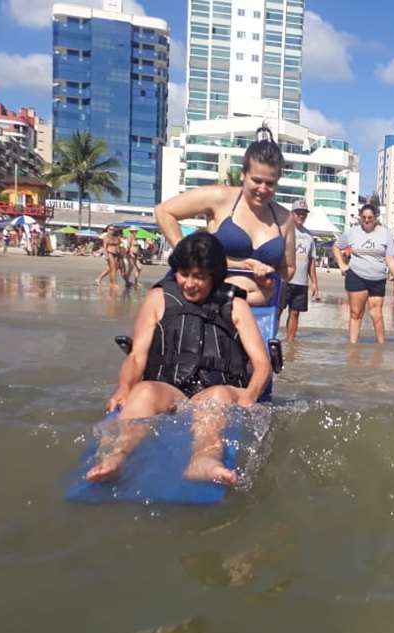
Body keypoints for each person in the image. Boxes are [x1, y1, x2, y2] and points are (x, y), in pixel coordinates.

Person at [85, 232, 272, 486]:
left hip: (219, 390)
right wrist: (124, 388)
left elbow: (262, 363)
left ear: (214, 276)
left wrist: (249, 396)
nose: (189, 283)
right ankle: (117, 457)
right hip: (171, 390)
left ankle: (204, 460)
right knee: (144, 390)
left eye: (199, 276)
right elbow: (137, 356)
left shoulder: (236, 305)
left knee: (216, 397)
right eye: (184, 274)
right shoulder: (158, 298)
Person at [155, 126, 296, 305]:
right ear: (243, 174)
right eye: (256, 180)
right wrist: (188, 257)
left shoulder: (284, 218)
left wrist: (269, 278)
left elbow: (288, 268)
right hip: (210, 305)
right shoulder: (220, 198)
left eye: (270, 183)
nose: (262, 189)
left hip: (260, 310)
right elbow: (164, 211)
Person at [332, 203, 394, 343]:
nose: (366, 220)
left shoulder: (385, 233)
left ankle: (381, 347)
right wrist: (342, 264)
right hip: (356, 276)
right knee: (356, 313)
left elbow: (390, 258)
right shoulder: (352, 232)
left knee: (377, 314)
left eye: (370, 217)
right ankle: (353, 348)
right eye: (363, 217)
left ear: (375, 218)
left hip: (378, 278)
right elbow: (336, 247)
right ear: (360, 217)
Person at [280, 199, 319, 343]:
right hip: (284, 279)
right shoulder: (284, 230)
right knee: (278, 310)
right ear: (292, 213)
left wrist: (314, 283)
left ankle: (290, 342)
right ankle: (270, 339)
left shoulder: (309, 236)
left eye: (303, 213)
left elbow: (311, 261)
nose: (301, 216)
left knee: (295, 313)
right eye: (298, 213)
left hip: (301, 282)